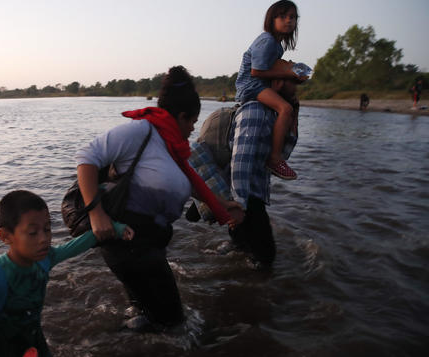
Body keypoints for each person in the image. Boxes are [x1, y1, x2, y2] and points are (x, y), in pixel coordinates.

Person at [75, 66, 244, 331]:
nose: (192, 128)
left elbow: (187, 182)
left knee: (149, 317)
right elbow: (86, 157)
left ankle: (123, 341)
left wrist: (222, 204)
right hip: (128, 241)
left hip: (147, 244)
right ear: (180, 116)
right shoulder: (140, 132)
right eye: (191, 121)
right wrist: (96, 214)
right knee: (176, 323)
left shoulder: (172, 146)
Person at [0, 190, 134, 357]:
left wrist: (115, 228)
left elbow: (76, 245)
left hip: (35, 345)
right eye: (32, 232)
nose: (44, 239)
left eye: (47, 229)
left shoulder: (44, 259)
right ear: (5, 236)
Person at [189, 78, 300, 269]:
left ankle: (234, 274)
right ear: (278, 83)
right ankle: (249, 292)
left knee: (242, 249)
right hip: (245, 196)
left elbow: (281, 156)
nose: (298, 86)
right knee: (266, 259)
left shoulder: (274, 113)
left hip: (246, 193)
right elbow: (241, 160)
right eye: (293, 81)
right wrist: (239, 206)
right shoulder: (255, 111)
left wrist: (291, 117)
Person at [235, 0, 307, 181]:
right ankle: (275, 159)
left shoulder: (277, 45)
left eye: (292, 17)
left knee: (292, 105)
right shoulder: (266, 40)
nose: (288, 21)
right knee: (285, 109)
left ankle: (282, 146)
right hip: (250, 86)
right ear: (271, 19)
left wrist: (290, 73)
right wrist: (289, 72)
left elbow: (269, 68)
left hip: (260, 84)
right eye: (282, 17)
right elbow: (256, 71)